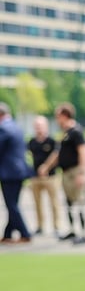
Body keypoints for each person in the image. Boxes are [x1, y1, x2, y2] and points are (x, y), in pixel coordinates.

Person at [38, 102, 85, 245]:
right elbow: (58, 154)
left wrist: (82, 173)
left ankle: (83, 233)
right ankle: (73, 230)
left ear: (65, 116)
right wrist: (46, 167)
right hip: (66, 172)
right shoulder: (65, 133)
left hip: (75, 171)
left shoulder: (76, 132)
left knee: (79, 202)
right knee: (70, 202)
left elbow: (83, 152)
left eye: (58, 116)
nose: (57, 119)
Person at [0, 103, 33, 244]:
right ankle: (8, 234)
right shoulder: (17, 127)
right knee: (13, 204)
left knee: (12, 205)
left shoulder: (3, 129)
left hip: (9, 172)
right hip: (19, 171)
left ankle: (25, 233)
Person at [27, 115, 62, 238]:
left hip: (50, 176)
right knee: (37, 203)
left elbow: (56, 156)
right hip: (36, 177)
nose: (38, 128)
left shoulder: (52, 141)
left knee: (54, 202)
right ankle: (40, 226)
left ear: (46, 127)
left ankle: (57, 226)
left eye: (40, 126)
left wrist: (46, 167)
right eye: (36, 126)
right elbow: (28, 157)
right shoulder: (32, 142)